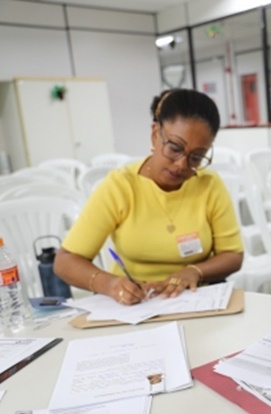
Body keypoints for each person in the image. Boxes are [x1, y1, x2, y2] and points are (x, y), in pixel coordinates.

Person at [54, 89, 243, 305]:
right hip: (136, 304)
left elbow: (232, 255)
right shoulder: (121, 186)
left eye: (196, 157)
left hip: (196, 299)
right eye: (174, 148)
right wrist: (110, 284)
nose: (181, 164)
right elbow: (65, 261)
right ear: (155, 134)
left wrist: (195, 271)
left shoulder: (209, 185)